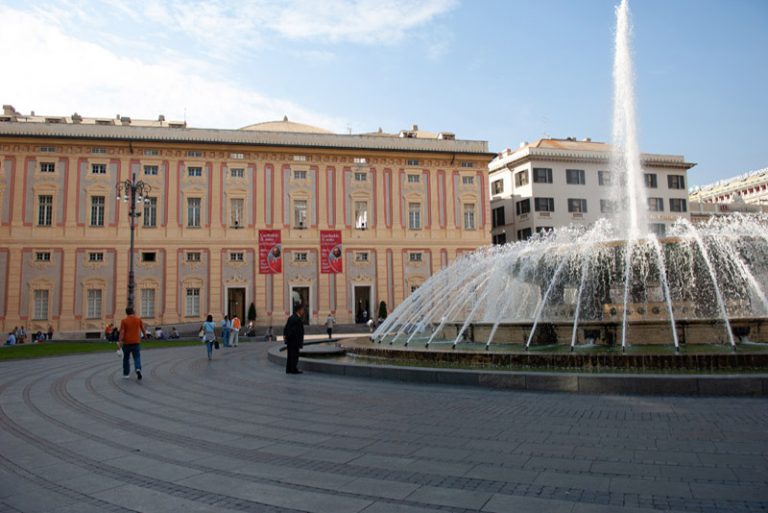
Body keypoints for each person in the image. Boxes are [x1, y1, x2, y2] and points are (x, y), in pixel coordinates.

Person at [118, 307, 147, 380]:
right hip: (136, 342)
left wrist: (120, 341)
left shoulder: (124, 321)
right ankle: (138, 369)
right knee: (137, 357)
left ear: (126, 313)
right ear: (133, 312)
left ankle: (126, 374)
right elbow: (143, 329)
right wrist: (145, 336)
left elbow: (122, 332)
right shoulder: (138, 319)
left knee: (126, 359)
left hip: (127, 342)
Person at [284, 304, 305, 374]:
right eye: (302, 310)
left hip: (290, 341)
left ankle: (288, 369)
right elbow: (295, 331)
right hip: (294, 341)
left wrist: (286, 338)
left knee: (290, 356)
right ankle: (293, 369)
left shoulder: (291, 317)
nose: (303, 311)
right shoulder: (296, 319)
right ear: (299, 310)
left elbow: (286, 328)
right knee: (294, 356)